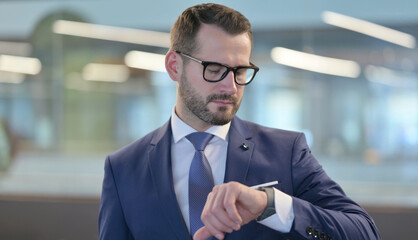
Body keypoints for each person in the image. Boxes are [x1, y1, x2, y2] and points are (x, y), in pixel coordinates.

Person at [98, 3, 381, 240]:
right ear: (174, 66)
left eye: (240, 71)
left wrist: (269, 204)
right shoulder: (123, 168)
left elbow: (364, 232)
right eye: (215, 69)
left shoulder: (287, 152)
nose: (231, 87)